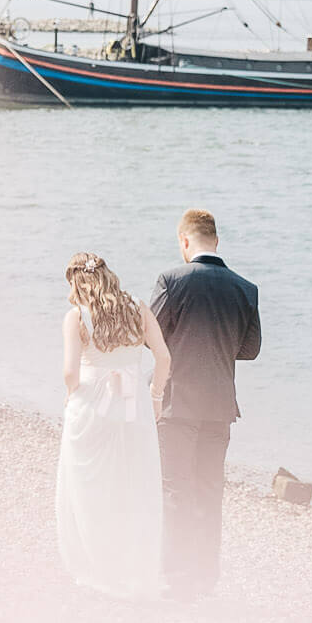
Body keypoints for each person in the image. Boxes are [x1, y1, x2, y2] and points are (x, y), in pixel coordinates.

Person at [148, 208, 261, 599]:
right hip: (219, 407)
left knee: (175, 489)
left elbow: (153, 336)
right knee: (209, 490)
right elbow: (250, 350)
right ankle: (205, 576)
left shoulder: (171, 280)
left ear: (184, 241)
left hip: (177, 404)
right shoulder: (246, 288)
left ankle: (176, 576)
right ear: (216, 241)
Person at [54, 252, 171, 599]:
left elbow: (69, 372)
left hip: (91, 406)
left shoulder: (77, 317)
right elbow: (163, 357)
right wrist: (155, 396)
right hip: (134, 408)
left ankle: (100, 566)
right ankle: (134, 566)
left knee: (90, 488)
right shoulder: (138, 307)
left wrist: (70, 395)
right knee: (134, 485)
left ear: (77, 282)